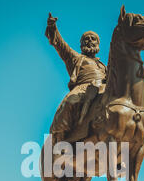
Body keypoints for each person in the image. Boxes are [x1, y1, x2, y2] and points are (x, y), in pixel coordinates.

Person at [45, 13, 107, 141]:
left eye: (93, 38)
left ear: (98, 44)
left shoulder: (103, 66)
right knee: (69, 102)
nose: (89, 40)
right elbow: (61, 45)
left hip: (104, 88)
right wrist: (53, 28)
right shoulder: (76, 58)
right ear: (81, 44)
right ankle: (60, 137)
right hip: (83, 88)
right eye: (86, 39)